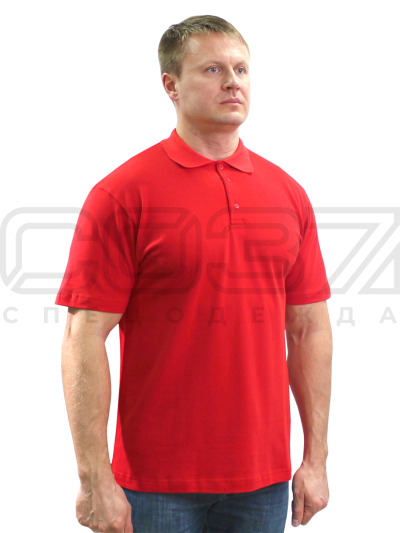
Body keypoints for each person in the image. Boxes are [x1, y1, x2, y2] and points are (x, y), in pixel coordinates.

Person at [56, 14, 332, 533]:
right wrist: (94, 478)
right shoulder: (123, 194)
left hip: (264, 482)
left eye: (241, 69)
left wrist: (315, 459)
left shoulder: (287, 195)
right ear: (171, 85)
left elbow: (309, 328)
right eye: (212, 69)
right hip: (153, 483)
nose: (233, 82)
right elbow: (83, 335)